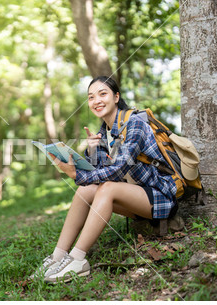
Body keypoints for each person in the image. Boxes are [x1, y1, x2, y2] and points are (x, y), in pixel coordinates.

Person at [31, 76, 178, 283]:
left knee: (107, 187)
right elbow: (97, 176)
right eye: (91, 97)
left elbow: (116, 172)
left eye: (103, 94)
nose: (96, 101)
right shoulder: (105, 132)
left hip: (160, 197)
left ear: (116, 97)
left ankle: (78, 259)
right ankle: (57, 257)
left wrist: (75, 174)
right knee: (86, 190)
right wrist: (92, 150)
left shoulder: (134, 124)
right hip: (134, 197)